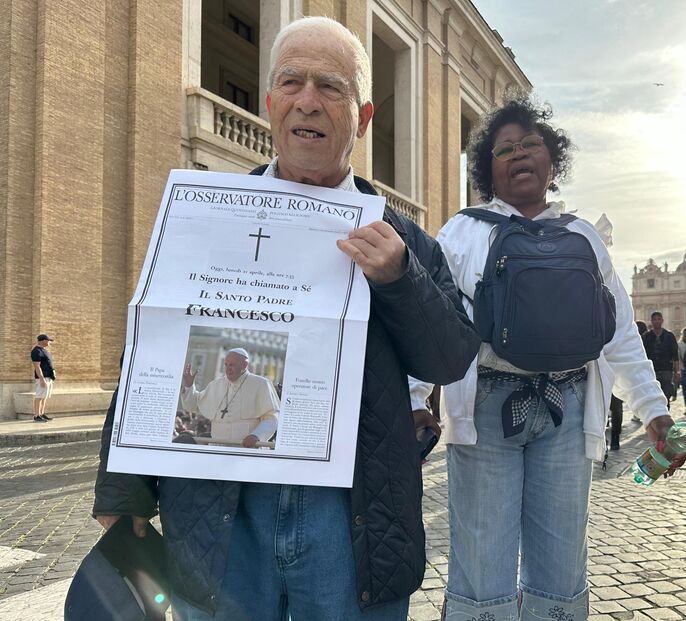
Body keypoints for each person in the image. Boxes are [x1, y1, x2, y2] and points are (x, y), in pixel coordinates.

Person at [94, 17, 479, 621]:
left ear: (363, 115)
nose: (308, 100)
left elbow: (451, 357)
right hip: (222, 512)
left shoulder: (405, 241)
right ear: (270, 103)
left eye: (330, 86)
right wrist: (124, 486)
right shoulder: (204, 220)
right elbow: (153, 349)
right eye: (291, 82)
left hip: (350, 518)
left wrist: (401, 280)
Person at [416, 95, 677, 621]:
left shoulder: (583, 238)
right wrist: (415, 398)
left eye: (530, 143)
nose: (518, 153)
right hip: (486, 410)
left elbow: (620, 332)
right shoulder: (463, 232)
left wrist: (654, 409)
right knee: (482, 559)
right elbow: (429, 321)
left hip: (569, 407)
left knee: (561, 558)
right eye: (504, 148)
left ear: (552, 162)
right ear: (487, 172)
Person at [179, 349, 279, 448]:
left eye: (232, 365)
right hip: (217, 447)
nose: (228, 369)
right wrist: (189, 386)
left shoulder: (261, 384)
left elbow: (272, 417)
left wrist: (257, 435)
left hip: (246, 448)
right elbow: (193, 406)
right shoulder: (216, 385)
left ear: (244, 365)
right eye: (226, 365)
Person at [643, 311, 680, 409]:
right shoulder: (646, 336)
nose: (657, 321)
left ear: (662, 321)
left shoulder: (669, 336)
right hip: (651, 370)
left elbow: (675, 355)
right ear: (651, 321)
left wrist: (677, 371)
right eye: (654, 319)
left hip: (666, 369)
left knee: (665, 394)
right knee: (653, 395)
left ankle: (665, 413)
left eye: (659, 319)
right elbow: (642, 355)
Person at [31, 334, 55, 423]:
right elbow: (37, 366)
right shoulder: (36, 351)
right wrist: (41, 379)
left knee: (44, 396)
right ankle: (36, 415)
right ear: (44, 341)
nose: (49, 342)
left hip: (48, 377)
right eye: (48, 340)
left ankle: (41, 413)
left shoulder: (44, 351)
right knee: (39, 396)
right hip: (42, 377)